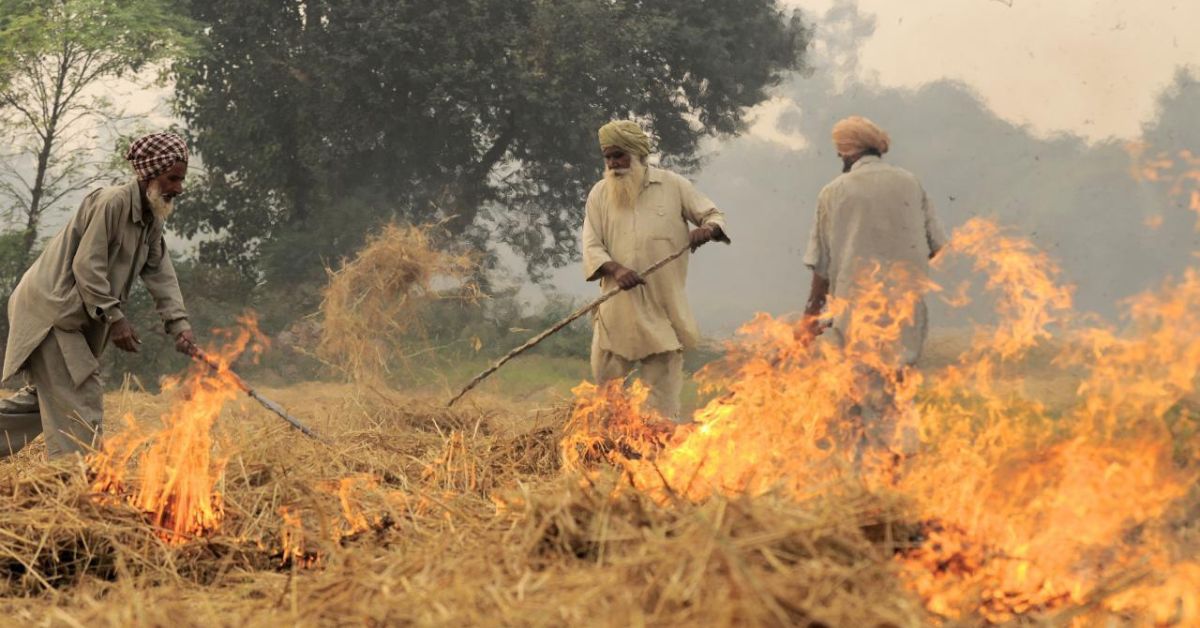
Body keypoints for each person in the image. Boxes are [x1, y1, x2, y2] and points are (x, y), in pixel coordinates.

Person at [0, 132, 198, 459]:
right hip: (52, 311)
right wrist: (115, 317)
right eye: (172, 178)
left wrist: (180, 325)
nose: (178, 188)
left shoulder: (152, 216)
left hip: (70, 315)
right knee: (80, 389)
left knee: (48, 401)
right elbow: (86, 266)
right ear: (149, 174)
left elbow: (160, 271)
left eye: (181, 180)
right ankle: (76, 480)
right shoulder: (112, 202)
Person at [801, 116, 947, 454]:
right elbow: (937, 246)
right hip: (907, 309)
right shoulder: (911, 183)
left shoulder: (834, 192)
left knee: (856, 393)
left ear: (848, 153)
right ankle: (894, 471)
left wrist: (809, 318)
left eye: (840, 155)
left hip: (854, 310)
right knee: (897, 389)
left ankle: (863, 480)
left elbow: (821, 267)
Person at [581, 120, 729, 421]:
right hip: (616, 311)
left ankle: (656, 459)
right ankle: (604, 456)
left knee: (660, 409)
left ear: (637, 153)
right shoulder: (599, 194)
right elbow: (592, 245)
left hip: (662, 310)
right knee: (607, 403)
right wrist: (616, 269)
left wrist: (708, 229)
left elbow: (713, 215)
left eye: (619, 155)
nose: (613, 164)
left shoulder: (673, 185)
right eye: (608, 157)